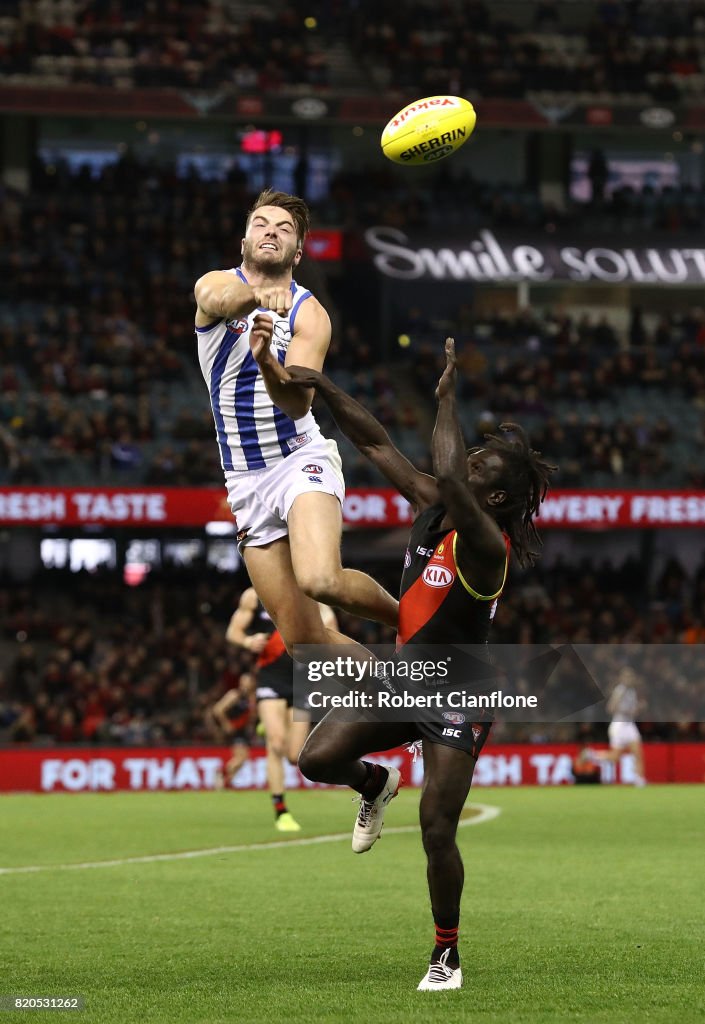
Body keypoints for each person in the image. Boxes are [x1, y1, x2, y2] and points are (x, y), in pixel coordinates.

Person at [286, 339, 556, 991]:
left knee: (437, 826)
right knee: (315, 760)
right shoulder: (435, 506)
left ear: (491, 499)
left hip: (462, 695)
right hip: (408, 682)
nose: (457, 469)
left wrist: (446, 402)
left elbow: (443, 467)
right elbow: (377, 446)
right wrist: (324, 386)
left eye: (473, 468)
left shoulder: (486, 545)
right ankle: (374, 783)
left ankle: (445, 955)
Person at [193, 189, 398, 656]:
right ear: (244, 240)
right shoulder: (214, 285)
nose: (272, 231)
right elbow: (219, 298)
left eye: (285, 229)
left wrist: (267, 361)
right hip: (244, 477)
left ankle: (423, 620)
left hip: (297, 458)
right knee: (304, 640)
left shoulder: (310, 313)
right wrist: (254, 297)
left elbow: (297, 405)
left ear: (298, 253)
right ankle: (400, 701)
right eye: (262, 223)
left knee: (322, 579)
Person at [226, 586, 339, 831]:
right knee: (276, 744)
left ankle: (268, 727)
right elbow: (233, 631)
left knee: (294, 756)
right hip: (270, 678)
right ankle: (281, 810)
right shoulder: (255, 595)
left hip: (302, 681)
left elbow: (332, 633)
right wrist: (247, 640)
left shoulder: (311, 593)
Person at [585, 667, 646, 786]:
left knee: (638, 753)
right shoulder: (620, 690)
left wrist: (639, 708)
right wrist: (627, 711)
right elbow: (610, 708)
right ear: (621, 678)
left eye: (631, 677)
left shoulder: (632, 692)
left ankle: (639, 780)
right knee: (615, 757)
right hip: (619, 726)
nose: (629, 679)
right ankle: (593, 755)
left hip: (630, 725)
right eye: (627, 677)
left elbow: (632, 711)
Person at [210, 671, 256, 787]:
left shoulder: (252, 698)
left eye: (247, 681)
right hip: (234, 730)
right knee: (241, 758)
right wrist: (226, 724)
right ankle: (221, 772)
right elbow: (217, 709)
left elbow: (251, 715)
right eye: (243, 681)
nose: (245, 684)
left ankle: (226, 783)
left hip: (243, 731)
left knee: (242, 758)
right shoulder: (234, 695)